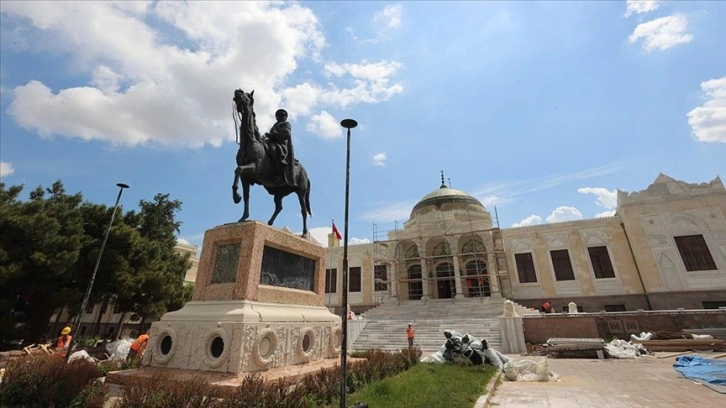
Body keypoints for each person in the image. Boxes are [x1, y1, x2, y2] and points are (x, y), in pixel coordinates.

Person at [264, 108, 295, 186]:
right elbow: (271, 135)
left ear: (285, 117)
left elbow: (286, 133)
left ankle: (279, 170)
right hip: (272, 142)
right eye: (279, 115)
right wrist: (268, 135)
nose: (281, 116)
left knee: (273, 149)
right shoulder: (274, 125)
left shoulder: (286, 124)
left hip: (281, 144)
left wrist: (275, 134)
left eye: (283, 115)